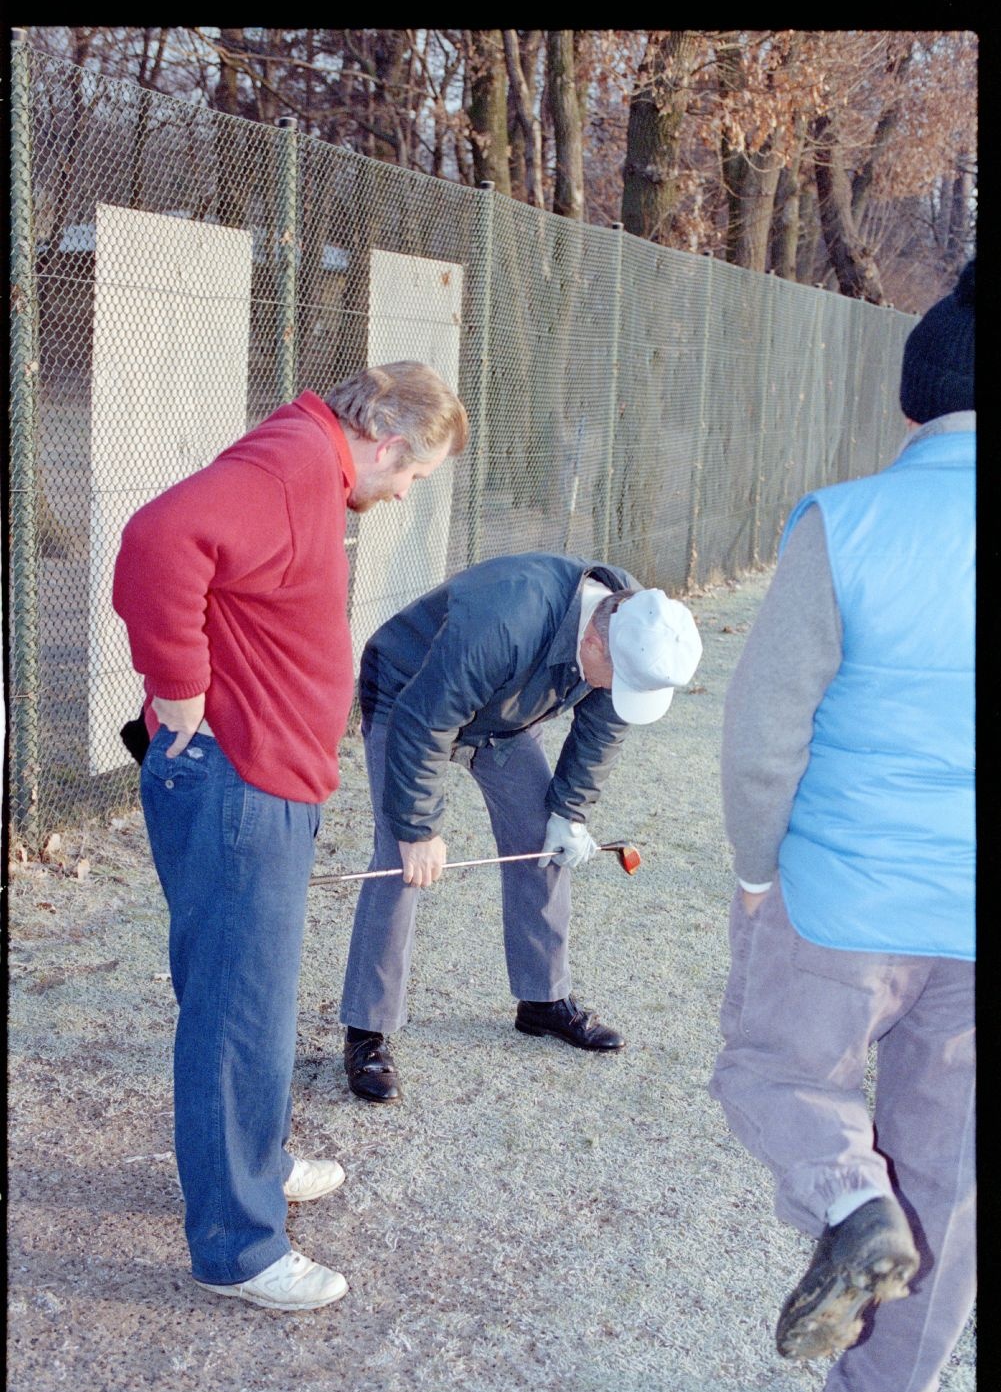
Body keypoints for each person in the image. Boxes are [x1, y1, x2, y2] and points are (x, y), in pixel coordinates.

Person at [112, 362, 469, 1311]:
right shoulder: (292, 465)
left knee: (238, 994)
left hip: (254, 778)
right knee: (239, 1008)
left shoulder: (303, 458)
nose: (401, 495)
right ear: (388, 443)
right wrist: (179, 678)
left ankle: (253, 1160)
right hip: (238, 781)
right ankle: (237, 1246)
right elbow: (157, 540)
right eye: (413, 477)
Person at [710, 262, 975, 1392]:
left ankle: (848, 1199)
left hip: (840, 897)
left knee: (773, 1075)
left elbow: (766, 732)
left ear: (913, 407)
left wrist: (755, 867)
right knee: (951, 1172)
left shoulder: (845, 521)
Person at [339, 552, 703, 1102]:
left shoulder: (631, 617)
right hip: (410, 696)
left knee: (542, 841)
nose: (616, 690)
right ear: (593, 644)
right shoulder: (506, 618)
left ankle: (542, 1000)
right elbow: (427, 717)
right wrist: (418, 828)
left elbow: (604, 724)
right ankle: (368, 1029)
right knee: (399, 863)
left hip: (505, 717)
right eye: (617, 679)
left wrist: (569, 811)